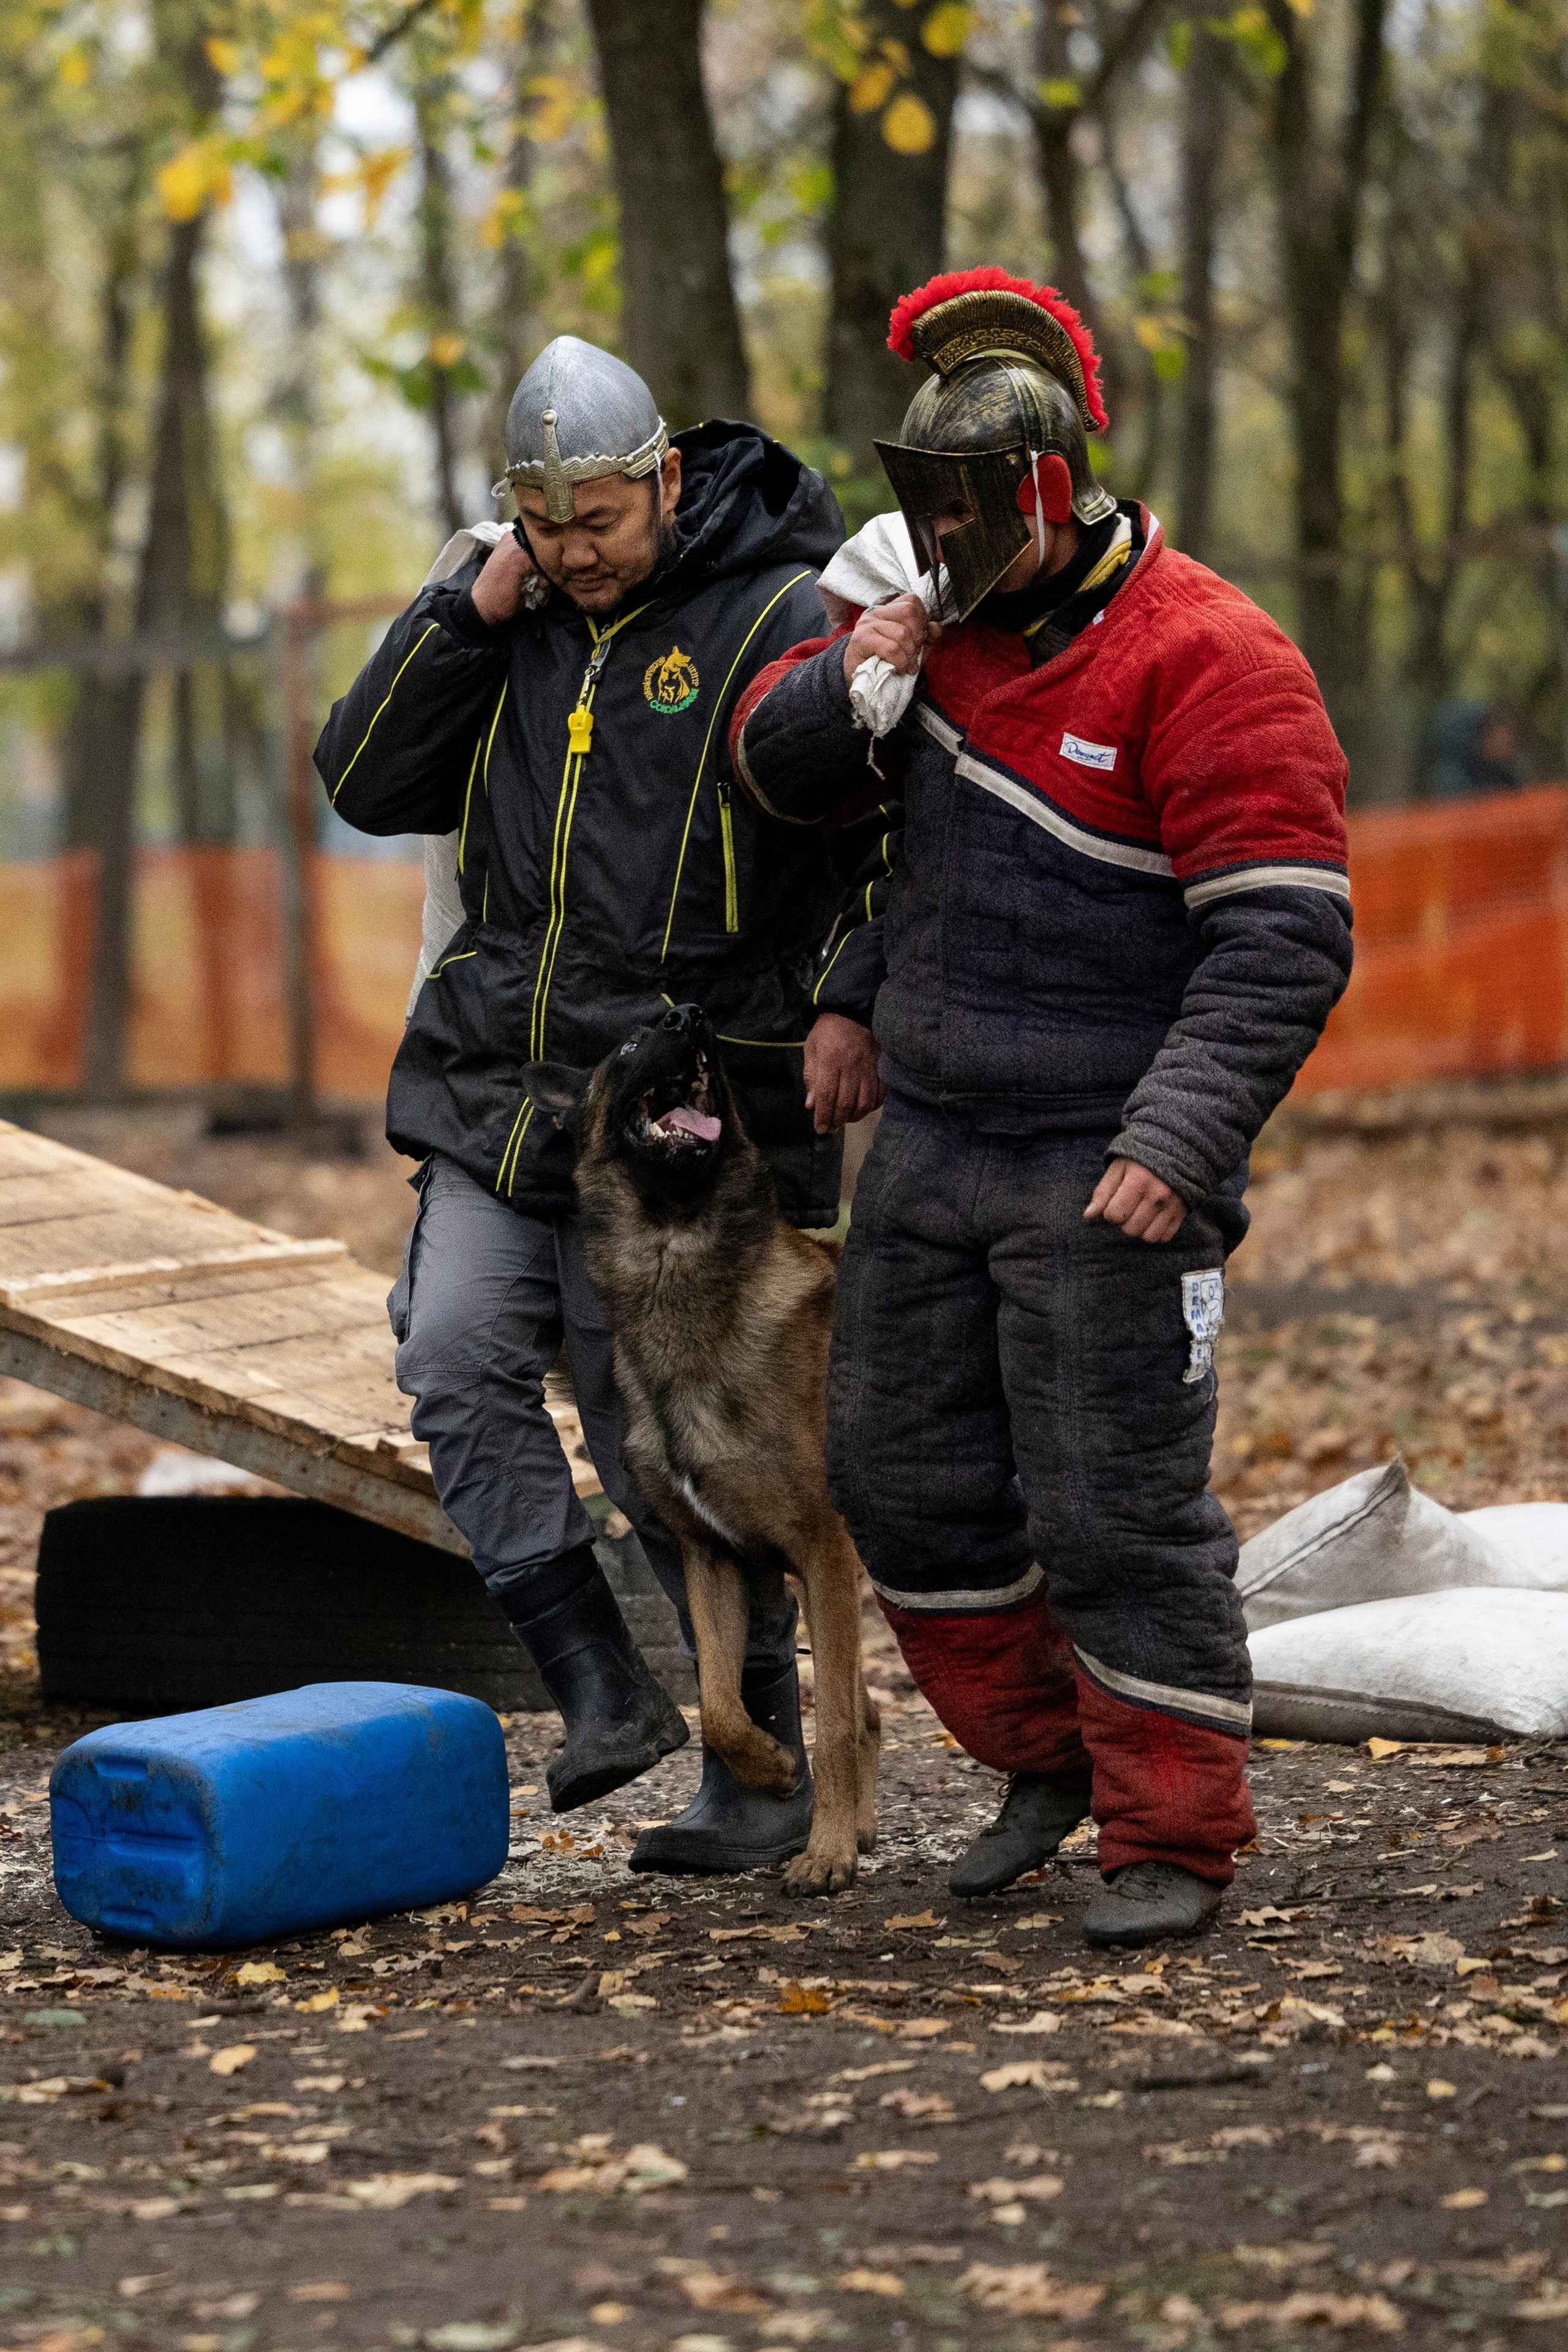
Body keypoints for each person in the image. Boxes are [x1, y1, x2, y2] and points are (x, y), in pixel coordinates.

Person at [728, 269, 1354, 1945]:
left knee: (1110, 1500)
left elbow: (1283, 939)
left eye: (962, 514)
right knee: (900, 1472)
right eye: (917, 509)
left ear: (1050, 494)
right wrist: (854, 686)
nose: (934, 541)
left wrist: (1179, 1141)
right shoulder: (935, 635)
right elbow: (797, 798)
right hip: (931, 1133)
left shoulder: (1216, 658)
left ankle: (1174, 1834)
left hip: (1109, 1154)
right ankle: (1047, 1761)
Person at [315, 336, 888, 1875]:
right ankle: (597, 1689)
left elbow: (861, 839)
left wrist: (847, 995)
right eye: (544, 525)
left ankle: (752, 1763)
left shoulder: (772, 609)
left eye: (600, 524)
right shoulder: (505, 614)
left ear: (663, 482)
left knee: (684, 1438)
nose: (573, 554)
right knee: (446, 1353)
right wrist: (460, 610)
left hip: (684, 1116)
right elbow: (364, 781)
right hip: (500, 1087)